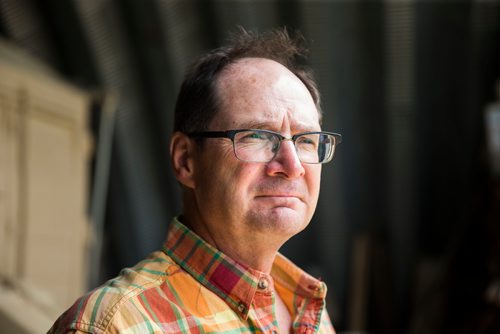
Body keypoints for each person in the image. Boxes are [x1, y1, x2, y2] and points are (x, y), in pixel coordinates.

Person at [49, 27, 342, 334]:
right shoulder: (113, 326)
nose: (292, 166)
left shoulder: (310, 312)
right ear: (186, 160)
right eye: (257, 136)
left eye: (306, 140)